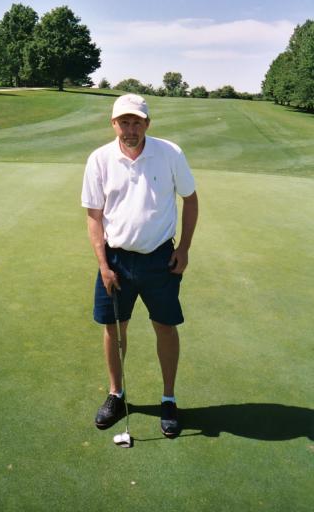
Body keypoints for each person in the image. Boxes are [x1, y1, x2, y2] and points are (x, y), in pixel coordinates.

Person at [81, 93, 198, 437]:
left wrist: (186, 248)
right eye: (124, 122)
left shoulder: (170, 153)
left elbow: (190, 200)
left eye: (137, 122)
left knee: (164, 326)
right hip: (115, 259)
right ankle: (116, 394)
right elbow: (94, 216)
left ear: (147, 123)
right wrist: (103, 263)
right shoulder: (100, 159)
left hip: (161, 260)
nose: (130, 129)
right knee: (114, 328)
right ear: (113, 123)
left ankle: (168, 398)